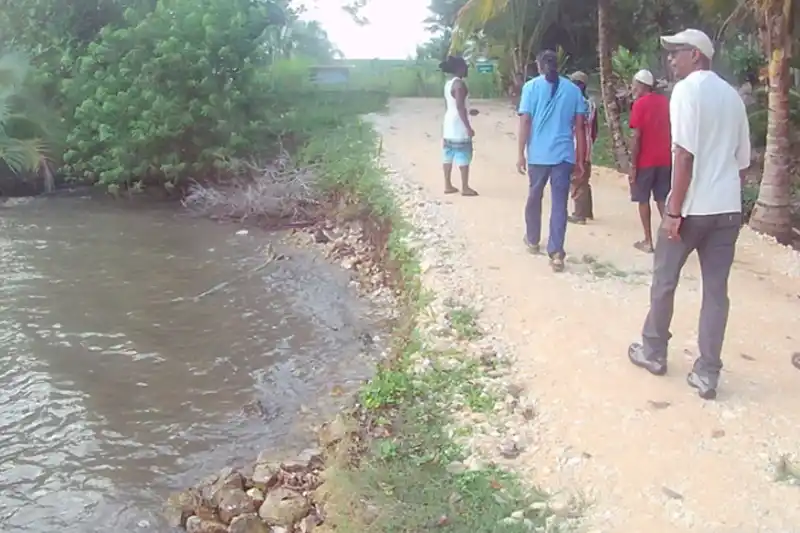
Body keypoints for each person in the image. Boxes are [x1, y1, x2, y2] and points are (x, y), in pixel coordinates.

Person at [627, 29, 751, 400]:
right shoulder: (732, 97)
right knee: (716, 292)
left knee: (665, 280)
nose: (670, 58)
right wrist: (722, 190)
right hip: (726, 211)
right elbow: (742, 163)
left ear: (696, 55)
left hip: (691, 209)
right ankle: (708, 373)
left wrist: (673, 210)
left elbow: (683, 155)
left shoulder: (686, 91)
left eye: (676, 52)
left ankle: (653, 351)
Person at [517, 50, 587, 272]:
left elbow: (525, 121)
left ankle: (532, 239)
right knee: (559, 204)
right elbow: (580, 128)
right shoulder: (573, 90)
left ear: (539, 66)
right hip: (564, 155)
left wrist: (520, 153)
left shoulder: (530, 88)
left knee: (534, 197)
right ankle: (556, 253)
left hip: (538, 155)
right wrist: (581, 158)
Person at [628, 69, 672, 253]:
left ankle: (648, 241)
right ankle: (670, 239)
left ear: (641, 85)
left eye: (634, 85)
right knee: (662, 199)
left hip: (646, 161)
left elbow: (636, 136)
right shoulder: (665, 102)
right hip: (665, 159)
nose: (632, 89)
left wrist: (632, 164)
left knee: (643, 199)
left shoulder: (639, 104)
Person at [440, 55, 478, 196]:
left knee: (447, 154)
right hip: (458, 124)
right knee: (463, 154)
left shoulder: (448, 84)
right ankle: (465, 187)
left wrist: (469, 111)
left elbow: (454, 105)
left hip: (448, 123)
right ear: (460, 68)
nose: (467, 69)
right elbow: (460, 107)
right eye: (465, 66)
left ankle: (447, 184)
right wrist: (468, 127)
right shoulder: (459, 84)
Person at [567, 71, 598, 224]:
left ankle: (579, 215)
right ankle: (587, 211)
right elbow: (595, 129)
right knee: (585, 177)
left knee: (576, 178)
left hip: (576, 145)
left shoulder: (573, 103)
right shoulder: (591, 104)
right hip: (588, 145)